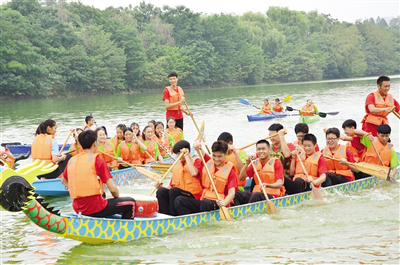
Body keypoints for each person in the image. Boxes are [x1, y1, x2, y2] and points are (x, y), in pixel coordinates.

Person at [61, 130, 136, 219]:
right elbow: (113, 190)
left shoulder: (72, 160)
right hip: (95, 208)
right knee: (131, 203)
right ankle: (125, 230)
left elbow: (64, 181)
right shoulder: (98, 161)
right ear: (95, 144)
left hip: (78, 208)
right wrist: (117, 198)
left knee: (103, 195)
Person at [174, 141, 238, 215]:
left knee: (205, 203)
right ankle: (186, 221)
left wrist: (224, 202)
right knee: (179, 200)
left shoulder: (230, 171)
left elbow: (232, 193)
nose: (216, 159)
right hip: (204, 200)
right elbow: (200, 151)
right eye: (214, 155)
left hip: (218, 203)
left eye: (219, 156)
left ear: (226, 154)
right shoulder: (209, 162)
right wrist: (196, 146)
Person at [154, 140, 203, 216]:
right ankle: (164, 215)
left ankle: (174, 215)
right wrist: (160, 186)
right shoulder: (177, 166)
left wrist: (186, 156)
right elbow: (171, 186)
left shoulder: (197, 161)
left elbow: (194, 173)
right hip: (179, 194)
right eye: (176, 154)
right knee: (161, 191)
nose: (177, 157)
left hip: (193, 197)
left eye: (178, 154)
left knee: (174, 191)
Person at [234, 140, 285, 205]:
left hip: (273, 196)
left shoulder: (276, 163)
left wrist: (267, 185)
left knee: (256, 195)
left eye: (263, 149)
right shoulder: (255, 163)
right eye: (258, 149)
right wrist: (247, 164)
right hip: (256, 195)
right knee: (236, 194)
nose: (261, 151)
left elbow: (279, 184)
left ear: (269, 150)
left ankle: (249, 212)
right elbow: (241, 177)